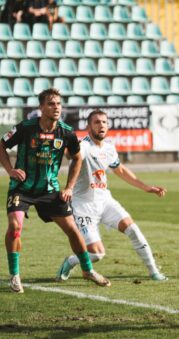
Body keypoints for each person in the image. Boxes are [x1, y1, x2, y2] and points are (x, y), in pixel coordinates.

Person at [0, 89, 111, 293]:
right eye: (51, 104)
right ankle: (15, 275)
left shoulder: (66, 132)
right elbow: (1, 144)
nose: (56, 107)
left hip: (50, 190)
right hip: (22, 188)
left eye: (59, 103)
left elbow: (77, 158)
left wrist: (69, 187)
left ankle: (87, 270)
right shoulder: (26, 127)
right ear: (41, 107)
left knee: (72, 230)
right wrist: (10, 170)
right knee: (15, 227)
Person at [56, 111, 167, 282]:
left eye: (104, 122)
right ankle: (71, 261)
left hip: (105, 201)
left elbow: (120, 169)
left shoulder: (108, 147)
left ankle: (153, 271)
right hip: (83, 206)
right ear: (88, 126)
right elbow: (72, 154)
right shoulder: (84, 146)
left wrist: (146, 188)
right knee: (96, 254)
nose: (101, 125)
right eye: (96, 122)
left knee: (133, 229)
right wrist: (68, 151)